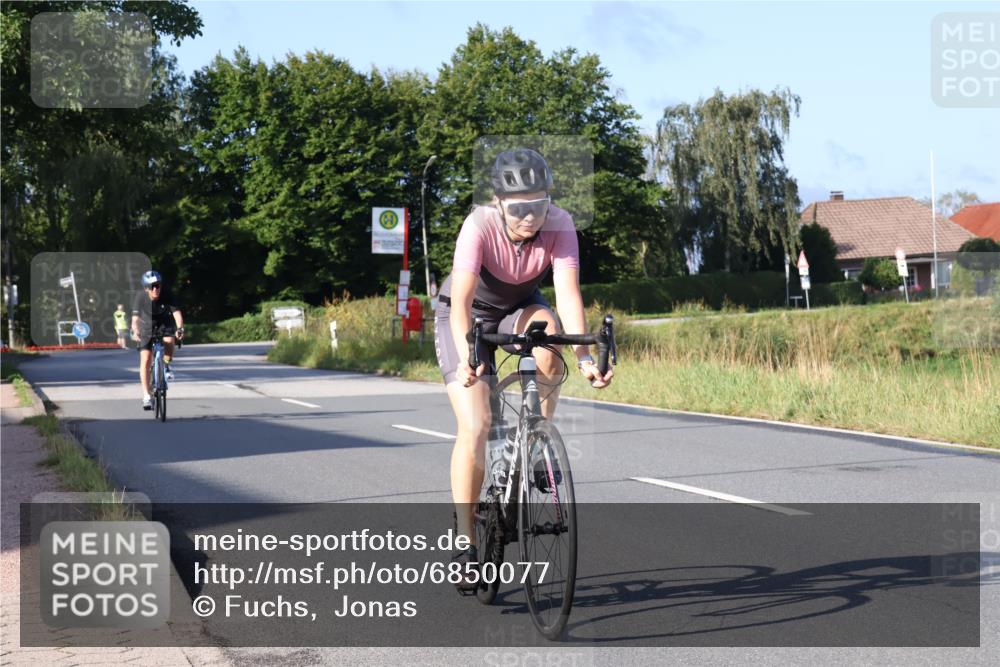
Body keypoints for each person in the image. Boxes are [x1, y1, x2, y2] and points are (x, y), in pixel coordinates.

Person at [433, 148, 613, 591]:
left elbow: (567, 294)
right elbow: (461, 303)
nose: (531, 217)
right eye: (520, 208)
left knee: (549, 331)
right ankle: (465, 543)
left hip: (519, 311)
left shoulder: (561, 223)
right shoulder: (479, 226)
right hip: (466, 316)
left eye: (540, 204)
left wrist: (586, 359)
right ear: (498, 203)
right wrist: (470, 359)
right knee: (476, 425)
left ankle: (535, 440)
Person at [131, 270, 184, 410]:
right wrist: (135, 331)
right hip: (146, 326)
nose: (156, 289)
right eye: (152, 286)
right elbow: (135, 319)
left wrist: (180, 329)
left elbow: (177, 314)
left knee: (169, 341)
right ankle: (146, 396)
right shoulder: (140, 297)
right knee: (146, 359)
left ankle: (166, 365)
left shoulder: (167, 294)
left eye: (158, 285)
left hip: (164, 324)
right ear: (146, 288)